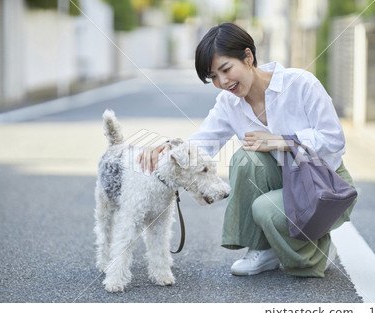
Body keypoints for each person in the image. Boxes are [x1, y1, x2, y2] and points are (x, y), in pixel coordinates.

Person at [138, 22, 355, 278]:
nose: (223, 81)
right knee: (246, 157)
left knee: (266, 209)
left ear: (248, 56)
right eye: (213, 76)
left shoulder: (300, 84)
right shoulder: (229, 102)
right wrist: (168, 148)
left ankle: (319, 252)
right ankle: (263, 249)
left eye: (226, 69)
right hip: (283, 176)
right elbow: (203, 142)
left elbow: (334, 139)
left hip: (323, 182)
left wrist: (282, 140)